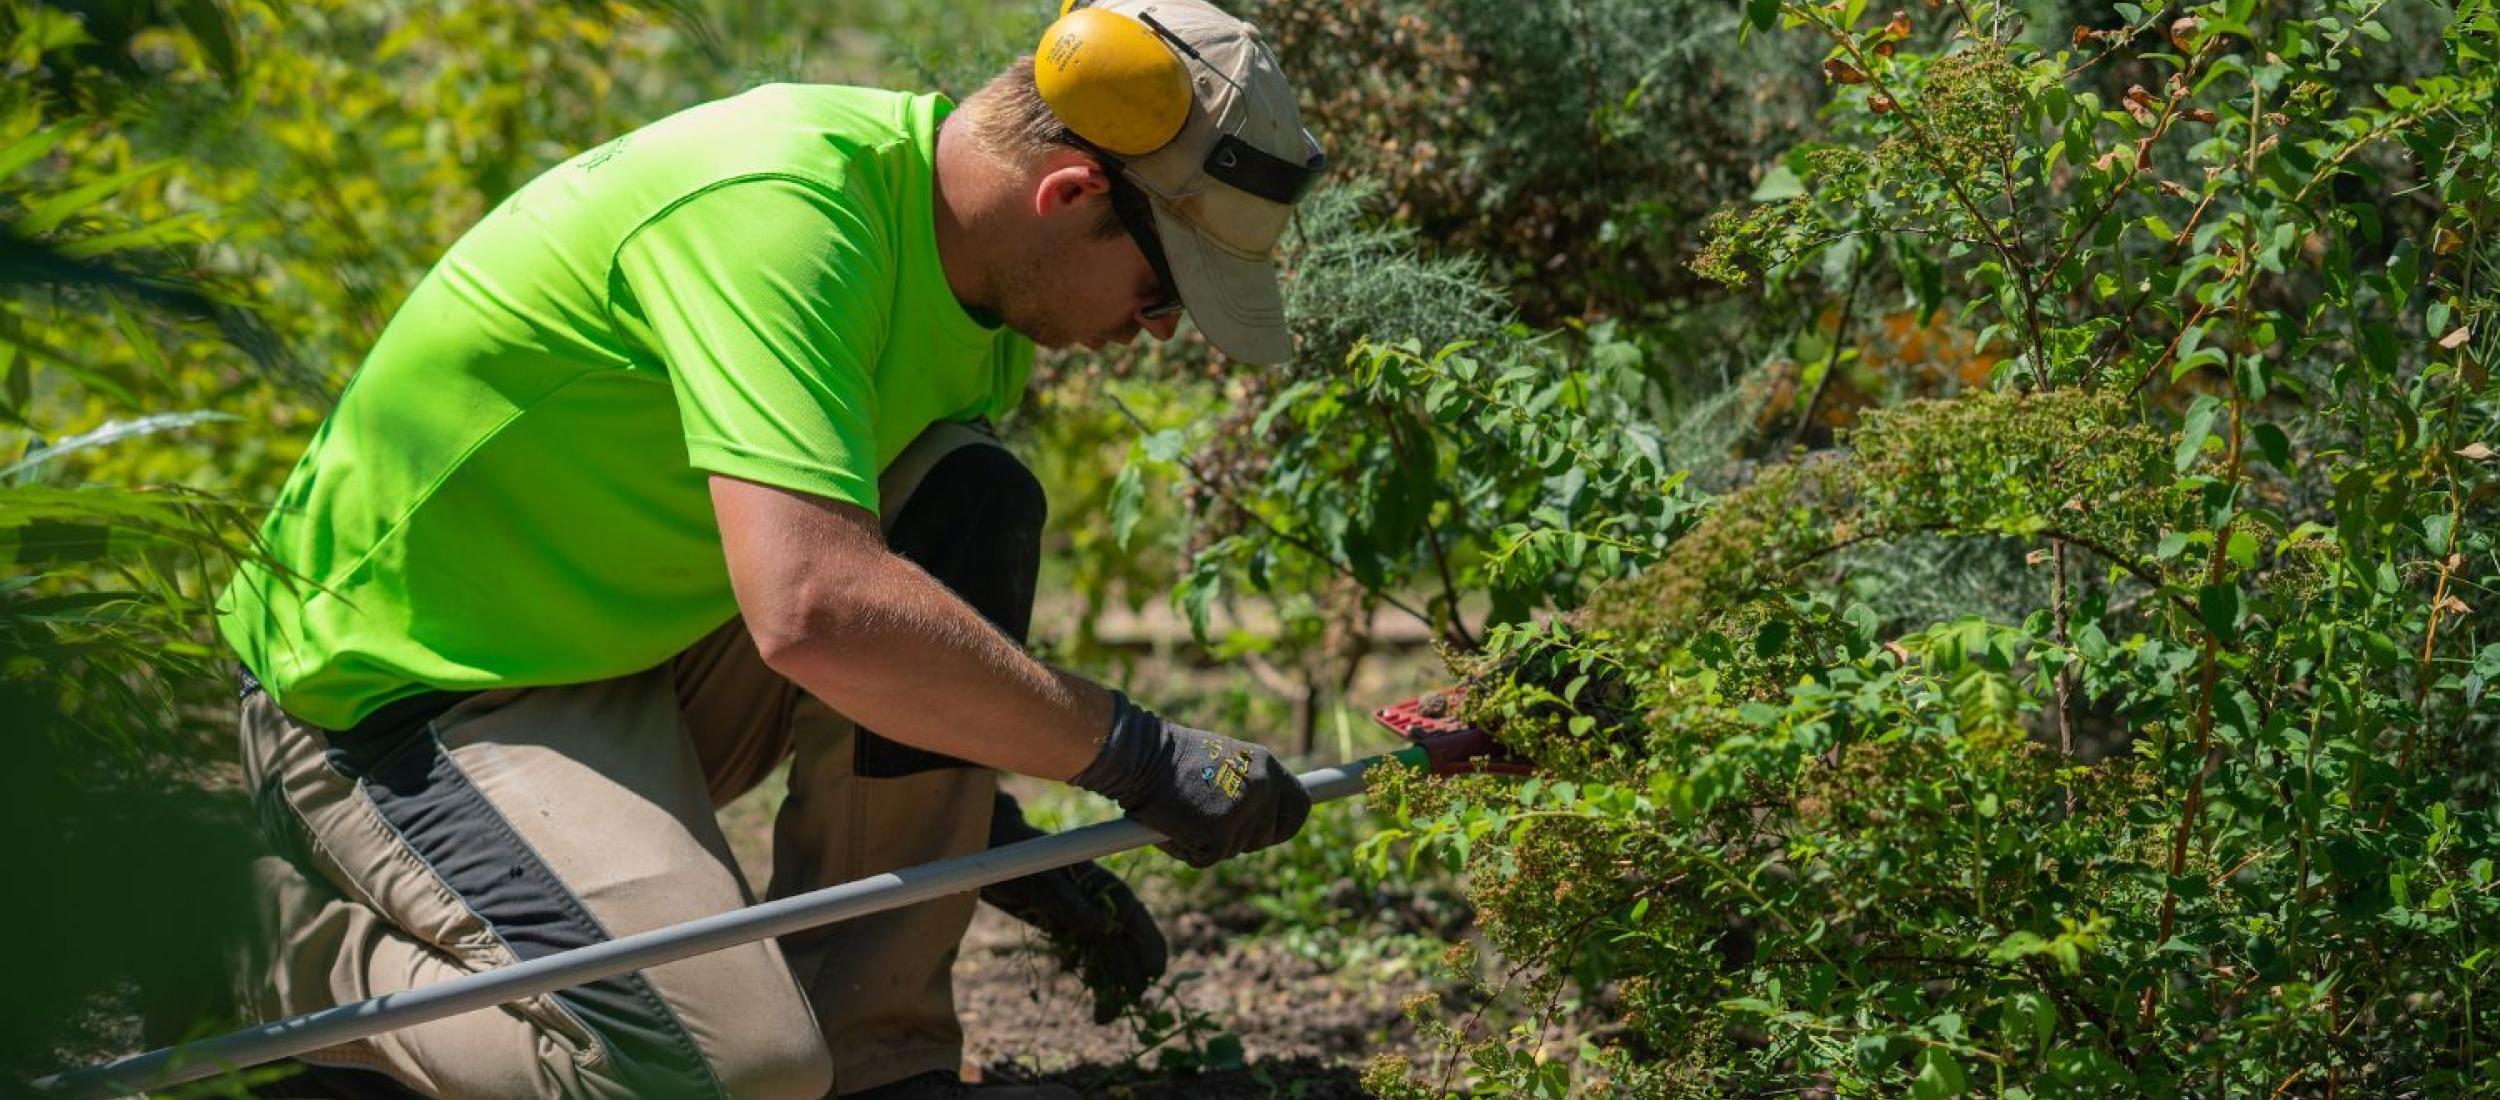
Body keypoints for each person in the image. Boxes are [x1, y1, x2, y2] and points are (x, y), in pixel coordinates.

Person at [216, 1, 1329, 1096]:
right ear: (1072, 192)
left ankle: (878, 1056)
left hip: (623, 656)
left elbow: (884, 590)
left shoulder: (978, 291)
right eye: (1161, 288)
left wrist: (979, 822)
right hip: (399, 690)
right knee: (710, 1071)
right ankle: (254, 948)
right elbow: (815, 605)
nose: (1162, 329)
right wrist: (1129, 752)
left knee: (964, 492)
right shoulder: (785, 211)